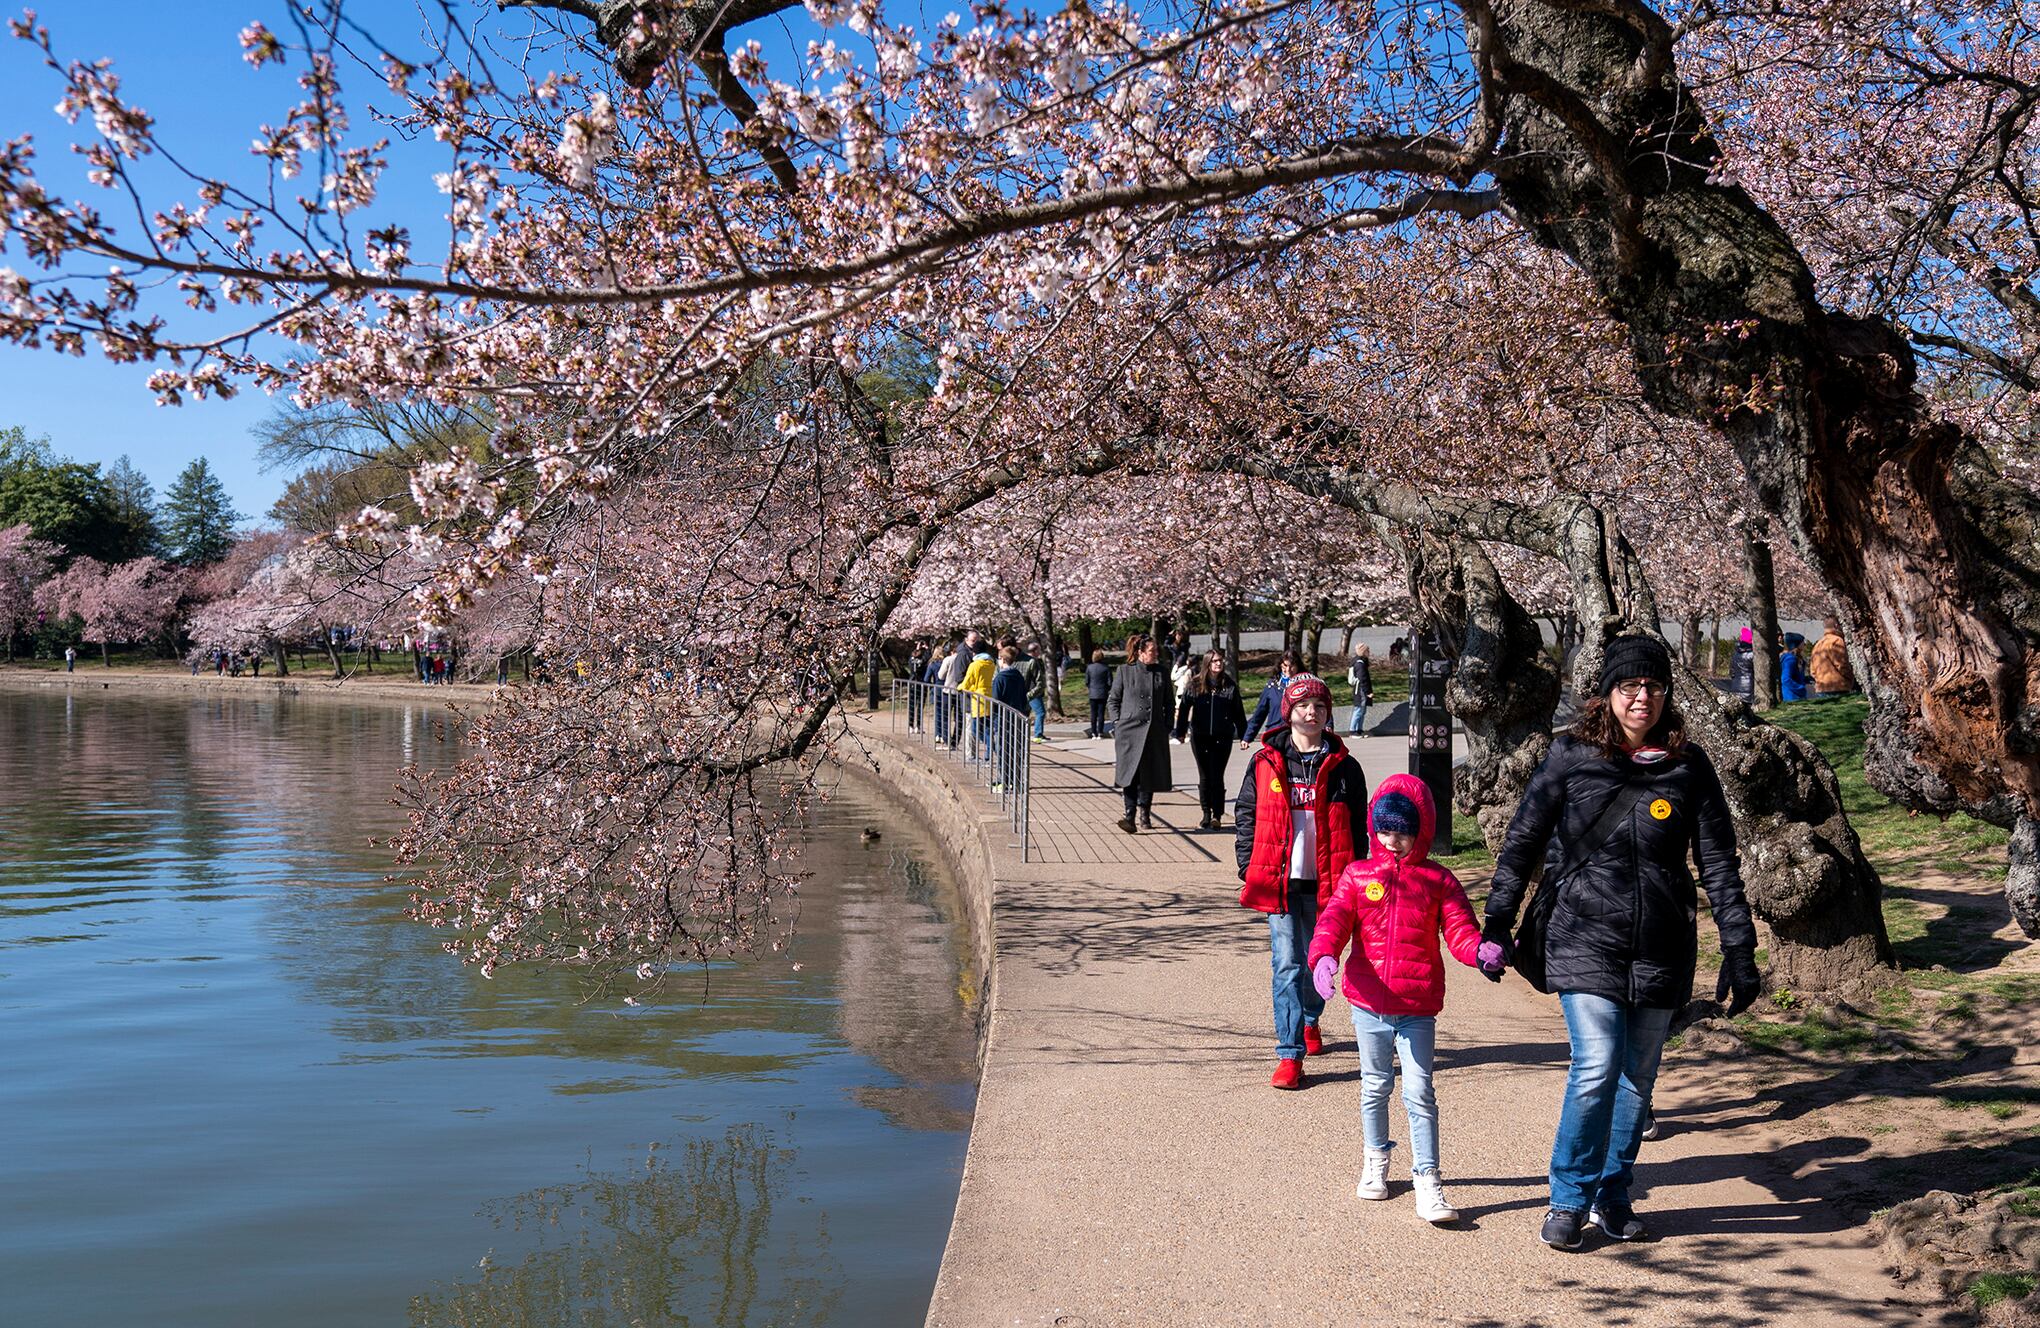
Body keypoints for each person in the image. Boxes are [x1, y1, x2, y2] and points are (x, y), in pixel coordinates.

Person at [1478, 635, 1760, 1250]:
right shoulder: (1570, 756)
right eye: (1630, 686)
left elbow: (1719, 866)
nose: (1642, 697)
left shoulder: (1691, 768)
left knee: (1638, 1077)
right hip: (1584, 934)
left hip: (1663, 941)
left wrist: (1740, 950)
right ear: (1605, 694)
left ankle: (1613, 1192)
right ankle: (1568, 1198)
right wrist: (1496, 922)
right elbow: (1522, 842)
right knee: (1598, 1064)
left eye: (1654, 686)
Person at [1308, 775, 1481, 1223]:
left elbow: (1460, 929)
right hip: (1368, 1003)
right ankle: (1375, 1160)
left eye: (1404, 831)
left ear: (1421, 830)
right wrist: (1324, 956)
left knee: (1420, 1089)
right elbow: (1334, 921)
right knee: (1374, 1086)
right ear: (1373, 828)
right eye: (1385, 830)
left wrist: (1479, 951)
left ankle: (1428, 1178)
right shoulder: (1357, 875)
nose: (1394, 840)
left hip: (1417, 1006)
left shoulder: (1437, 880)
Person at [1233, 674, 1368, 1089]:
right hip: (1280, 882)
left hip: (1330, 882)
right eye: (1303, 705)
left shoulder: (1346, 767)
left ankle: (1310, 1019)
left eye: (1320, 706)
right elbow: (1245, 815)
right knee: (1286, 964)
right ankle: (1289, 1055)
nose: (1312, 713)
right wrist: (1246, 865)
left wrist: (1357, 875)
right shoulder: (1265, 763)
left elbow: (1361, 827)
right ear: (1289, 712)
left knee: (1318, 961)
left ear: (1328, 714)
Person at [1108, 633, 1175, 832]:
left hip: (1154, 731)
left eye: (1156, 650)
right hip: (1128, 732)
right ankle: (1129, 816)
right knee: (1130, 774)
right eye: (1152, 651)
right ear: (1140, 652)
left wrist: (1167, 725)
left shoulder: (1162, 672)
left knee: (1149, 773)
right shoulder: (1124, 671)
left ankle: (1145, 813)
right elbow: (1113, 700)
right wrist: (1118, 722)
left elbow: (1169, 703)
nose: (1155, 654)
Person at [1174, 650, 1248, 829]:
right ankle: (1206, 812)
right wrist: (1180, 731)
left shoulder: (1228, 685)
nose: (1218, 664)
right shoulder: (1196, 684)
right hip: (1201, 736)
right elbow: (1184, 708)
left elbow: (1238, 712)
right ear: (1207, 663)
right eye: (1214, 661)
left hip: (1222, 736)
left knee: (1218, 775)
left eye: (1220, 661)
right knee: (1205, 775)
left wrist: (1245, 735)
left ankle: (1217, 814)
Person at [1242, 651, 1300, 748]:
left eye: (1292, 666)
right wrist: (1247, 737)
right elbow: (1259, 714)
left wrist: (1327, 726)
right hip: (1275, 735)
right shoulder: (1272, 686)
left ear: (1298, 666)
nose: (1288, 670)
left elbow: (1320, 706)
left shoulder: (1307, 684)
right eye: (1285, 666)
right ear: (1280, 665)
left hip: (1299, 735)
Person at [991, 645, 1029, 788]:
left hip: (1002, 718)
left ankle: (1004, 780)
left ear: (1002, 659)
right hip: (1017, 715)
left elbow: (995, 699)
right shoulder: (1018, 676)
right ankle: (1016, 779)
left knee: (1003, 749)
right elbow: (1023, 695)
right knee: (1016, 749)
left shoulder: (1000, 678)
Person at [961, 640, 997, 759]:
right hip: (989, 695)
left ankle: (993, 747)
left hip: (978, 698)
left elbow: (967, 682)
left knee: (976, 729)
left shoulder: (975, 665)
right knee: (987, 728)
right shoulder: (991, 663)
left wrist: (959, 687)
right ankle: (988, 755)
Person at [940, 636, 973, 748]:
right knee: (959, 718)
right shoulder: (967, 658)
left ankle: (946, 739)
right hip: (960, 691)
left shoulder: (948, 660)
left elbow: (941, 675)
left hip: (948, 690)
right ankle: (955, 741)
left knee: (945, 717)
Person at [1811, 617, 1856, 697]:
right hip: (1838, 686)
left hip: (1821, 687)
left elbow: (1813, 671)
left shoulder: (1818, 644)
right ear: (1836, 626)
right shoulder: (1837, 641)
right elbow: (1842, 665)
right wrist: (1851, 678)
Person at [1020, 640, 1049, 742]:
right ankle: (1038, 734)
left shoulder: (1029, 660)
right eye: (1039, 650)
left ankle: (1031, 734)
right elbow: (1035, 678)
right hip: (1033, 691)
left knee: (1026, 713)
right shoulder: (1032, 661)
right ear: (1035, 650)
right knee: (1040, 712)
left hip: (1031, 691)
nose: (1040, 652)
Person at [1347, 645, 1375, 735]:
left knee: (1361, 710)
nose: (1369, 652)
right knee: (1359, 710)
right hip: (1361, 690)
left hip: (1359, 690)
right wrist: (1368, 692)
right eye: (1368, 650)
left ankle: (1359, 730)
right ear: (1363, 651)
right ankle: (1353, 730)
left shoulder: (1357, 661)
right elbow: (1363, 679)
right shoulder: (1360, 664)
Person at [1085, 649, 1112, 739]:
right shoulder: (1106, 668)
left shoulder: (1089, 668)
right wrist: (1106, 689)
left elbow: (1087, 681)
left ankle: (1093, 732)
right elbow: (1110, 682)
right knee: (1101, 713)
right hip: (1103, 693)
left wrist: (1090, 688)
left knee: (1093, 713)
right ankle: (1100, 732)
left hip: (1093, 693)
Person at [1168, 648, 1194, 736]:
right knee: (1183, 712)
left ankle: (1182, 729)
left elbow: (1173, 677)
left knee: (1180, 712)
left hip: (1182, 692)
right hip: (1184, 691)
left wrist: (1176, 666)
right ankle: (1185, 729)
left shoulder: (1184, 668)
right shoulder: (1190, 669)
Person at [1778, 633, 1809, 702]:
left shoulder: (1796, 658)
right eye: (1802, 642)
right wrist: (1800, 688)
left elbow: (1796, 676)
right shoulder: (1790, 659)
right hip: (1792, 697)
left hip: (1797, 696)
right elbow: (1785, 679)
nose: (1804, 644)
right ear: (1796, 644)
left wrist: (1807, 679)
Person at [1727, 627, 1754, 697]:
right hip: (1750, 687)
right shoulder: (1752, 655)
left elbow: (1731, 672)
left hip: (1735, 686)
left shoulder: (1735, 654)